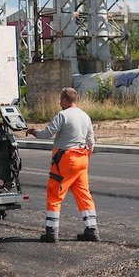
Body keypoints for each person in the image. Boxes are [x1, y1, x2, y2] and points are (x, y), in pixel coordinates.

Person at [25, 88, 98, 243]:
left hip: (66, 159)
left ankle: (51, 232)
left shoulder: (63, 115)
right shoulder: (85, 116)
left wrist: (33, 131)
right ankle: (92, 229)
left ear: (65, 99)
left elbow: (46, 133)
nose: (59, 102)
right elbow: (91, 141)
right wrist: (85, 157)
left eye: (60, 99)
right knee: (83, 194)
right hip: (82, 158)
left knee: (54, 192)